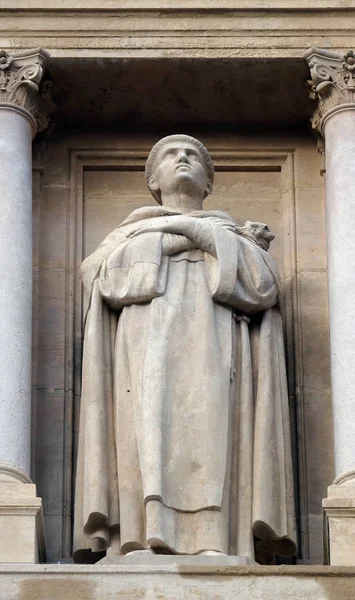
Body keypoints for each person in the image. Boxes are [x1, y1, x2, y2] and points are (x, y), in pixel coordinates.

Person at [73, 134, 296, 564]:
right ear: (152, 180)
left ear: (209, 183)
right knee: (146, 431)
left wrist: (206, 234)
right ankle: (141, 538)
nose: (182, 159)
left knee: (214, 430)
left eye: (192, 155)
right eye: (171, 155)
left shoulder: (233, 233)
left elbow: (262, 288)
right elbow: (103, 279)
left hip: (217, 343)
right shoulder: (128, 232)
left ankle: (217, 540)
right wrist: (189, 233)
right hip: (144, 344)